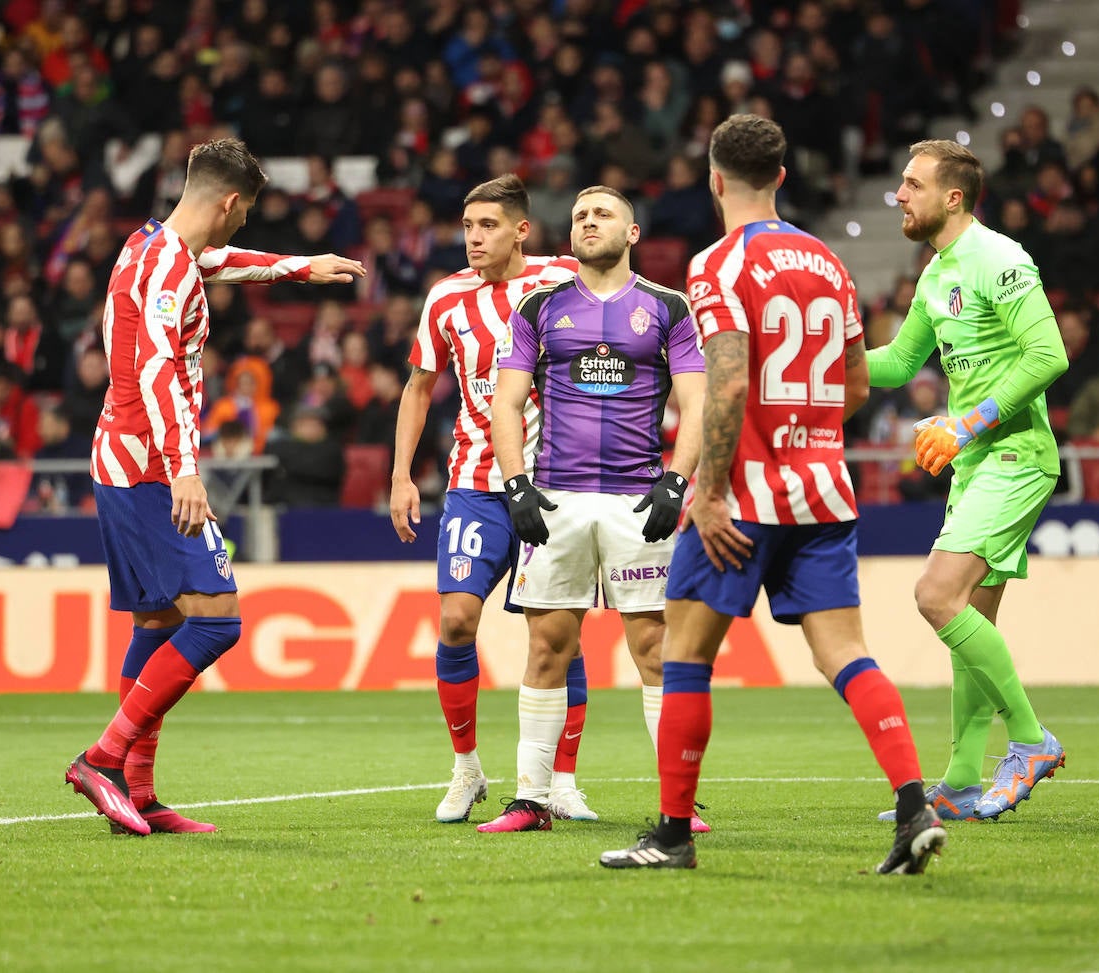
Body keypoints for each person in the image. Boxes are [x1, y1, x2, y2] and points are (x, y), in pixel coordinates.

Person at [601, 115, 946, 874]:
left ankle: (671, 833)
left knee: (686, 654)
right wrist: (806, 428)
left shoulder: (717, 263)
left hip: (746, 497)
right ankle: (914, 801)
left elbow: (724, 380)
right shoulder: (828, 262)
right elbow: (856, 383)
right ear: (782, 177)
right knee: (846, 652)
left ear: (715, 178)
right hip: (824, 490)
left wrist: (713, 489)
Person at [63, 137, 365, 836]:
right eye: (245, 213)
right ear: (230, 201)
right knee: (218, 615)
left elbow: (219, 260)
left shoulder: (149, 246)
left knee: (160, 620)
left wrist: (301, 267)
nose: (241, 227)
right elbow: (157, 372)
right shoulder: (169, 271)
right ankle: (105, 759)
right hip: (148, 467)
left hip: (119, 457)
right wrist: (185, 467)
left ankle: (135, 793)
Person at [479, 186, 706, 833]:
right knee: (548, 644)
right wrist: (516, 484)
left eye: (602, 214)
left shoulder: (667, 307)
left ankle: (677, 806)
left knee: (656, 647)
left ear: (632, 233)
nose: (587, 222)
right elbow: (506, 402)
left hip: (639, 499)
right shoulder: (539, 305)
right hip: (558, 497)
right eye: (580, 215)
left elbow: (696, 402)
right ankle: (532, 798)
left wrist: (675, 480)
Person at [864, 139, 1068, 825]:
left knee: (936, 595)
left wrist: (966, 423)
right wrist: (817, 357)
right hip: (979, 463)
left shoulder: (999, 258)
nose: (900, 193)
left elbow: (1049, 353)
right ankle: (957, 778)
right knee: (970, 618)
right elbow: (895, 362)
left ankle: (1032, 741)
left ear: (952, 197)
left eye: (912, 183)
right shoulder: (935, 273)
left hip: (1013, 455)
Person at [389, 174, 587, 825]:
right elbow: (419, 387)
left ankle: (560, 780)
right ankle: (467, 767)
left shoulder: (564, 279)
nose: (474, 237)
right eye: (468, 226)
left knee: (555, 635)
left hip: (556, 484)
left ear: (521, 230)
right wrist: (400, 474)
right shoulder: (446, 297)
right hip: (476, 485)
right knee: (454, 621)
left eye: (488, 226)